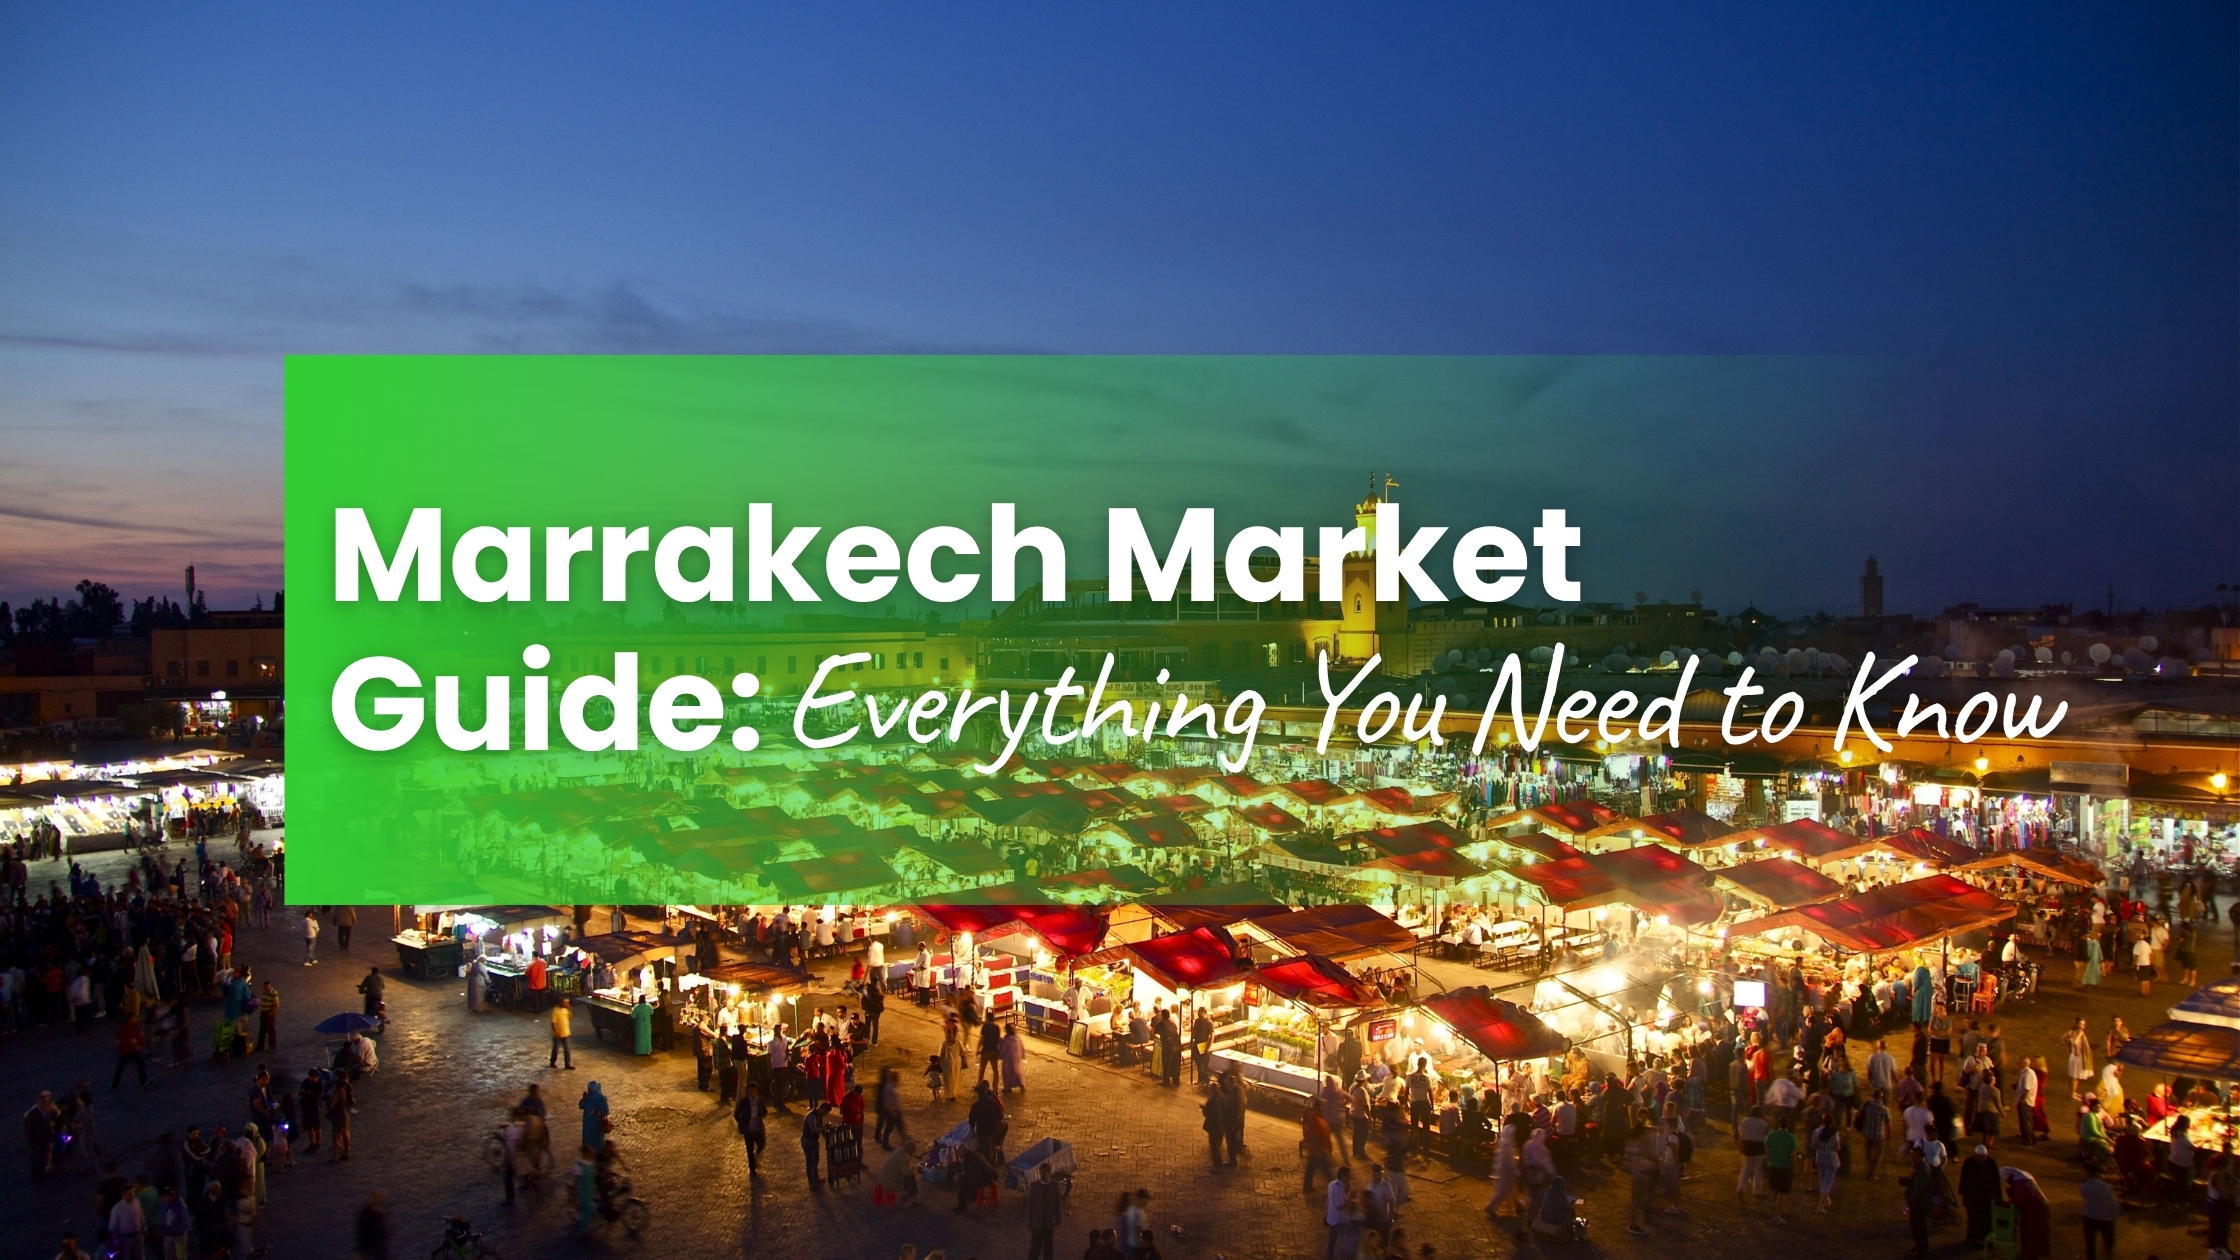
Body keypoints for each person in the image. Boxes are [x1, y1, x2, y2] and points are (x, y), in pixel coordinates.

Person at [1958, 1144, 2001, 1245]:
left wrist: (1997, 1197)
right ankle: (1972, 1238)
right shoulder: (1968, 1163)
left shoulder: (1991, 1164)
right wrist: (1964, 1196)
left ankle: (1986, 1239)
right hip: (1972, 1197)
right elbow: (1963, 1180)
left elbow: (1996, 1182)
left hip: (1986, 1197)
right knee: (1972, 1218)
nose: (1982, 1159)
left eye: (1984, 1157)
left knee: (1986, 1218)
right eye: (1980, 1157)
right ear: (1975, 1155)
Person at [1901, 1147, 1938, 1255]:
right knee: (1917, 1227)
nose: (1911, 1156)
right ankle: (1920, 1247)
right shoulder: (1919, 1167)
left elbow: (1918, 1190)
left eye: (1913, 1154)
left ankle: (1922, 1249)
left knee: (1919, 1227)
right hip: (1918, 1203)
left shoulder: (1921, 1171)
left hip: (1919, 1204)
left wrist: (1910, 1201)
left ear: (1918, 1156)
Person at [1762, 1115, 1798, 1224]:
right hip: (1785, 1167)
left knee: (1774, 1189)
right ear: (1788, 1125)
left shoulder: (1771, 1135)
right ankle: (1777, 1215)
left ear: (1778, 1123)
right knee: (1782, 1191)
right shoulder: (1791, 1137)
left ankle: (1776, 1208)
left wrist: (1769, 1161)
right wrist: (1794, 1166)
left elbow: (1767, 1150)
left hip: (1773, 1165)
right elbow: (1793, 1155)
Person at [2080, 1164, 2119, 1260]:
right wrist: (2115, 1213)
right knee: (2108, 1240)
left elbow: (2084, 1193)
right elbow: (2113, 1202)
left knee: (2090, 1242)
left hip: (2089, 1215)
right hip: (2104, 1216)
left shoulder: (2085, 1186)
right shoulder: (2107, 1187)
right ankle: (2107, 1255)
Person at [1026, 1162, 1062, 1260]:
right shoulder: (1034, 1186)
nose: (1042, 1175)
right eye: (1041, 1173)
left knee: (1048, 1247)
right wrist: (1029, 1220)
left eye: (1044, 1173)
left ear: (1049, 1173)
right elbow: (1031, 1205)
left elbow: (1057, 1203)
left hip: (1048, 1223)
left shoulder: (1054, 1185)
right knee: (1035, 1247)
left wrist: (1058, 1218)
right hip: (1037, 1223)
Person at [1734, 1104, 1768, 1204]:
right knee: (1758, 1170)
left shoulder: (1744, 1122)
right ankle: (1757, 1191)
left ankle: (1741, 1189)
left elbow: (1741, 1135)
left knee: (1746, 1169)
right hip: (1759, 1148)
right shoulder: (1764, 1124)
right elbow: (1765, 1137)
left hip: (1747, 1148)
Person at [733, 1083, 767, 1176]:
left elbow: (764, 1111)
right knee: (749, 1150)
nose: (751, 1093)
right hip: (748, 1130)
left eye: (753, 1091)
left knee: (761, 1143)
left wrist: (760, 1116)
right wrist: (742, 1122)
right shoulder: (744, 1102)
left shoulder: (760, 1101)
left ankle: (756, 1156)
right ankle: (752, 1169)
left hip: (758, 1129)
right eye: (749, 1091)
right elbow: (736, 1114)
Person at [1811, 1115, 1842, 1212]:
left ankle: (1826, 1199)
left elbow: (1814, 1145)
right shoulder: (1834, 1133)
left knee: (1822, 1179)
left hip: (1820, 1158)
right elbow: (1837, 1148)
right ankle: (1820, 1205)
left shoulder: (1817, 1132)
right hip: (1831, 1159)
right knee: (1827, 1181)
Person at [353, 1190, 389, 1260]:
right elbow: (362, 1231)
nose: (380, 1199)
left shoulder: (382, 1211)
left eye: (382, 1197)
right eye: (378, 1197)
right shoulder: (367, 1212)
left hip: (379, 1245)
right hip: (369, 1246)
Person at [800, 1102, 827, 1188]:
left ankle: (816, 1179)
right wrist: (823, 1128)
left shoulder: (819, 1116)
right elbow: (814, 1129)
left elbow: (820, 1128)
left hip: (814, 1141)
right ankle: (811, 1182)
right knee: (810, 1162)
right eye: (826, 1112)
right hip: (808, 1141)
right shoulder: (811, 1116)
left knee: (815, 1161)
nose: (825, 1114)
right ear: (823, 1109)